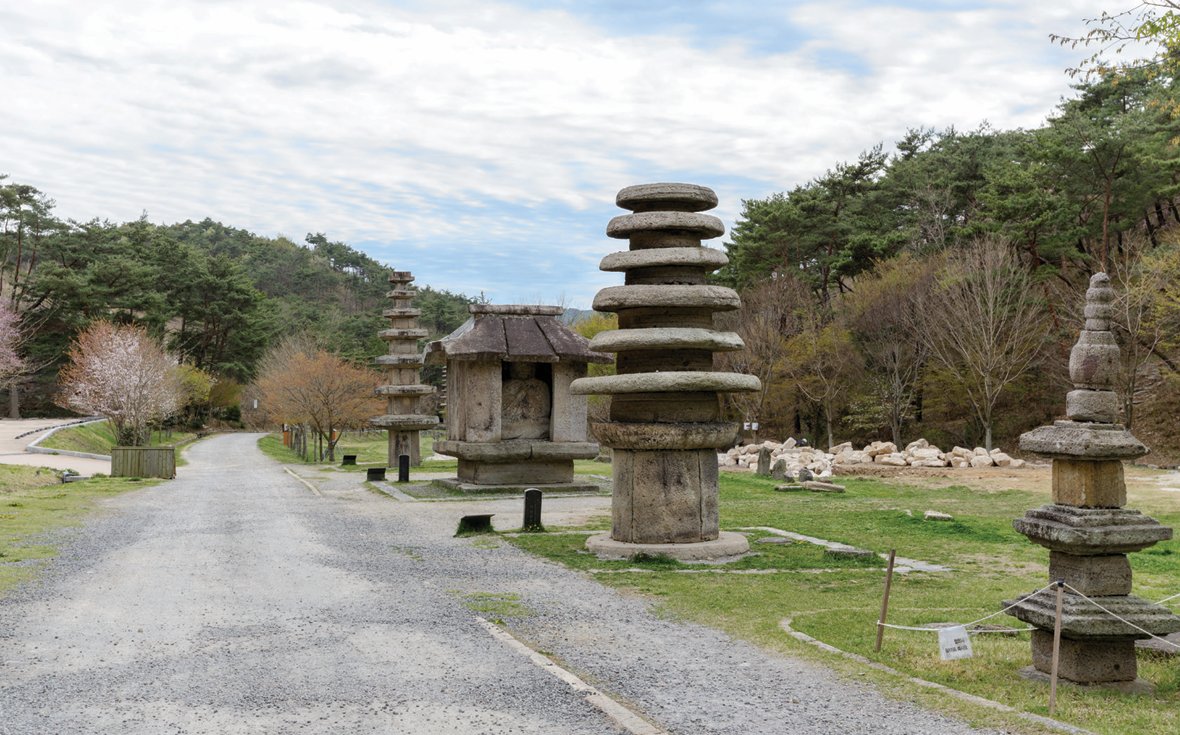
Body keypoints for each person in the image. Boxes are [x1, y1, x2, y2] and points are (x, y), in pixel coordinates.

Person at [501, 363, 550, 440]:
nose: (523, 368)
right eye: (519, 365)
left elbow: (544, 410)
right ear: (512, 368)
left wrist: (530, 399)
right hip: (511, 423)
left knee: (544, 425)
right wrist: (517, 398)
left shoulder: (541, 385)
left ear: (533, 368)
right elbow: (504, 411)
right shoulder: (506, 385)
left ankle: (518, 433)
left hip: (535, 423)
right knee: (501, 425)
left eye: (527, 365)